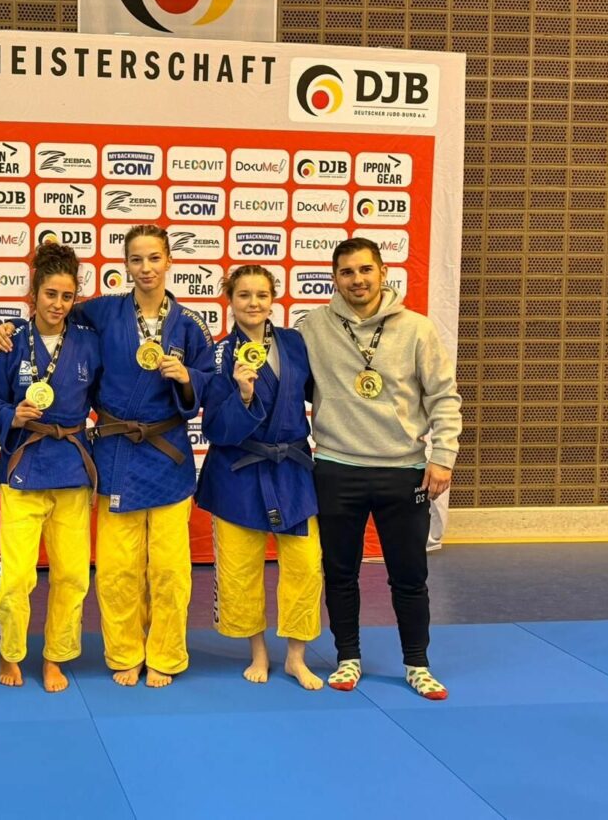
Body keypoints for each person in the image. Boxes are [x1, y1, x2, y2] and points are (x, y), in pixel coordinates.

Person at [0, 224, 214, 688]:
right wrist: (7, 328)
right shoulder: (103, 313)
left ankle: (166, 654)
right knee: (115, 569)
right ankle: (125, 652)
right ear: (125, 265)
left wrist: (187, 378)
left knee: (171, 570)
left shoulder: (190, 324)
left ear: (169, 261)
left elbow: (209, 380)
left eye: (154, 258)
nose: (146, 268)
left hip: (168, 453)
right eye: (136, 259)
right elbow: (51, 319)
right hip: (115, 452)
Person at [298, 237, 461, 700]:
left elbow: (443, 396)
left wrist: (442, 457)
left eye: (365, 269)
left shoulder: (416, 329)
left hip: (403, 470)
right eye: (347, 272)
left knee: (409, 576)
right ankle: (347, 658)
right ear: (335, 278)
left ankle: (417, 664)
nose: (358, 280)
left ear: (383, 272)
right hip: (337, 467)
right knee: (340, 573)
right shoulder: (312, 328)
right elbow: (295, 386)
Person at [197, 265, 323, 690]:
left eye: (262, 295)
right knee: (241, 567)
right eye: (244, 295)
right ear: (229, 300)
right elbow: (215, 429)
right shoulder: (218, 355)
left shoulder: (295, 344)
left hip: (291, 469)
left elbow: (322, 392)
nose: (253, 303)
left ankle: (297, 657)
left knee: (305, 565)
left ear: (273, 299)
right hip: (238, 471)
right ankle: (258, 652)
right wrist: (244, 395)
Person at [0, 243, 101, 693]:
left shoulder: (89, 342)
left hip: (71, 466)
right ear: (32, 295)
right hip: (24, 464)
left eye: (67, 296)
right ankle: (10, 652)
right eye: (50, 294)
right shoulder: (9, 341)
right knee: (16, 575)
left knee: (72, 573)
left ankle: (56, 655)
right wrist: (10, 416)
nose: (58, 304)